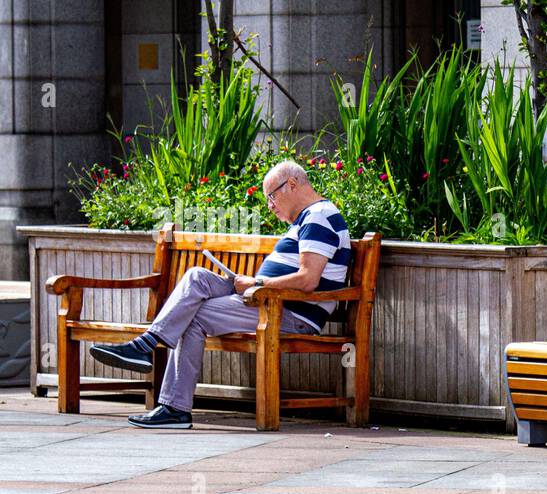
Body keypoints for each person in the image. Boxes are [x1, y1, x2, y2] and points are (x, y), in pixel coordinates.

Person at [88, 161, 351, 428]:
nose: (270, 205)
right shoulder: (307, 219)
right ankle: (146, 346)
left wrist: (257, 282)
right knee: (196, 276)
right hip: (266, 299)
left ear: (292, 185)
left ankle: (172, 405)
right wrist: (249, 284)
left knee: (192, 315)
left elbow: (308, 279)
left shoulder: (319, 216)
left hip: (289, 312)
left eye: (272, 196)